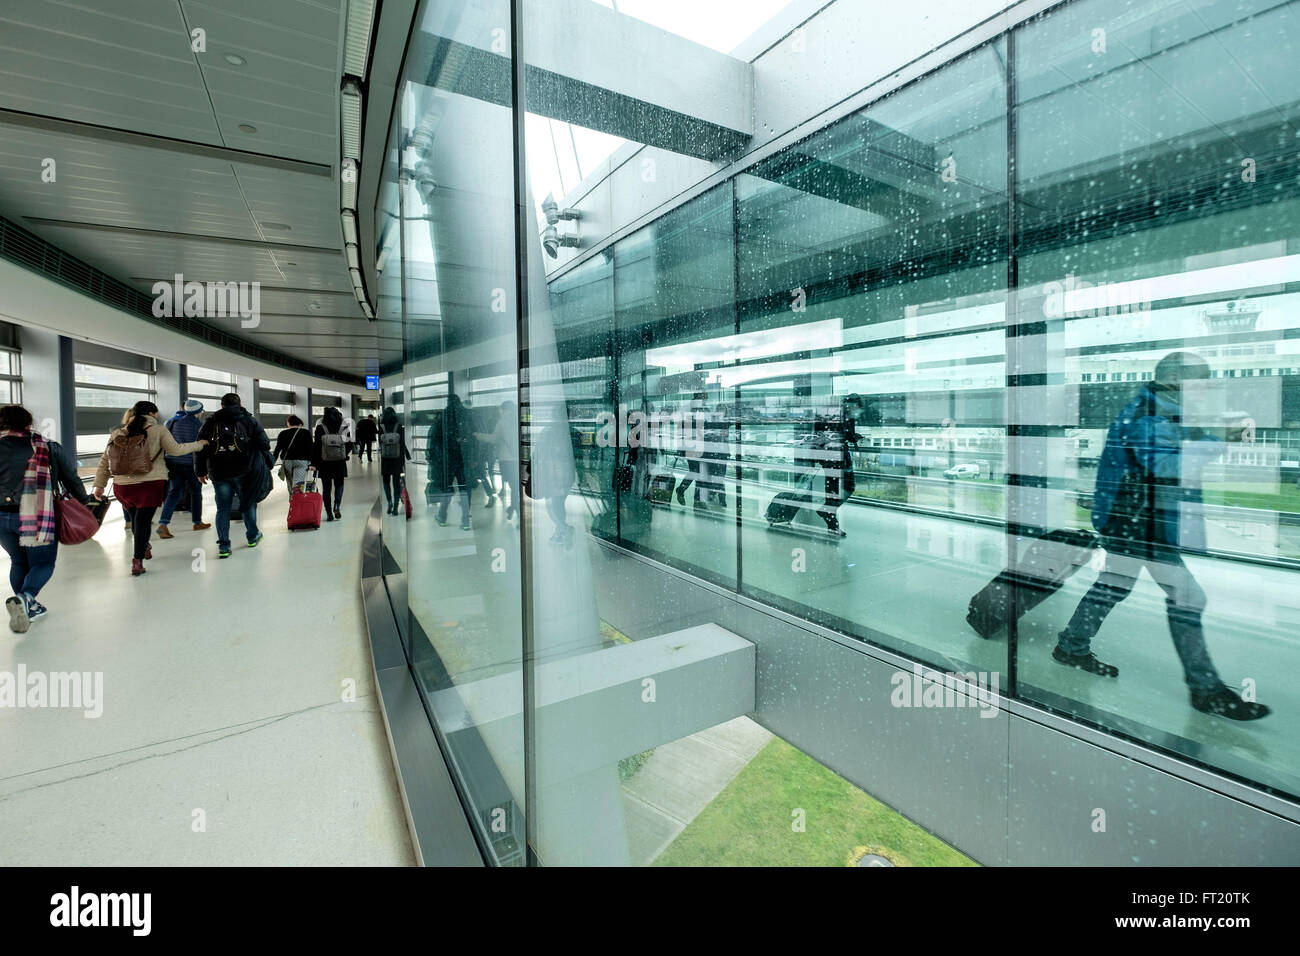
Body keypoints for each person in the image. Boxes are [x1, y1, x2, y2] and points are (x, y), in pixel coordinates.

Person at [1052, 352, 1269, 720]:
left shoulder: (1158, 409)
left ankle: (1071, 647)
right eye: (1200, 380)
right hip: (1140, 526)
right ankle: (1205, 690)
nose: (1205, 389)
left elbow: (1174, 443)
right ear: (1172, 377)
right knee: (1188, 598)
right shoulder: (1147, 415)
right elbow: (1168, 464)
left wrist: (1211, 432)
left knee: (1114, 586)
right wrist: (1218, 438)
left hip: (1135, 521)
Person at [0, 405, 93, 631]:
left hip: (2, 518)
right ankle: (27, 597)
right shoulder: (47, 447)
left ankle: (27, 605)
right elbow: (71, 478)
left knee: (18, 561)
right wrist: (85, 502)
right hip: (37, 515)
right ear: (28, 424)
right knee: (42, 563)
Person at [94, 401, 208, 576]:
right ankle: (137, 560)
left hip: (123, 486)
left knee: (135, 519)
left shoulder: (118, 432)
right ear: (152, 413)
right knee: (143, 522)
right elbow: (176, 450)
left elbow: (105, 460)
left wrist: (99, 485)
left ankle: (143, 545)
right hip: (150, 484)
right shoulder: (158, 430)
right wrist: (199, 444)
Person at [194, 392, 271, 559]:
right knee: (248, 503)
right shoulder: (249, 420)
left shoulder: (210, 422)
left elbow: (200, 448)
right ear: (239, 403)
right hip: (244, 471)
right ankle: (252, 536)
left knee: (223, 509)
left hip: (219, 472)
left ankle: (224, 546)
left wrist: (200, 471)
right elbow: (265, 443)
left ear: (222, 405)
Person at [156, 399, 210, 539]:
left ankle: (163, 524)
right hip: (191, 464)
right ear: (198, 412)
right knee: (196, 492)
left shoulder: (172, 422)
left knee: (174, 492)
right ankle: (197, 522)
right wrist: (204, 469)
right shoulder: (201, 425)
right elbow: (202, 448)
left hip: (173, 462)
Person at [428, 393, 472, 530]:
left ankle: (442, 516)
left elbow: (434, 440)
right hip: (463, 459)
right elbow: (473, 437)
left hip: (448, 461)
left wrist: (436, 459)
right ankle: (465, 520)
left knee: (447, 488)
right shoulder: (466, 416)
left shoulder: (443, 417)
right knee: (464, 489)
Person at [475, 399, 519, 520]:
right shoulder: (518, 420)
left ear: (503, 409)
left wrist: (479, 436)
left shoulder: (503, 421)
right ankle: (514, 507)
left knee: (514, 486)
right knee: (516, 487)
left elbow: (494, 439)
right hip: (518, 459)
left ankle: (516, 509)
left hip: (506, 459)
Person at [312, 406, 351, 521]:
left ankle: (328, 513)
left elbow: (316, 446)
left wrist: (314, 462)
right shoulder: (344, 428)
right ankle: (337, 506)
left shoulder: (320, 428)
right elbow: (349, 444)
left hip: (324, 462)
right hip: (339, 462)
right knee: (339, 485)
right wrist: (345, 454)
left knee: (327, 488)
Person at [377, 406, 411, 515]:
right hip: (397, 459)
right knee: (396, 483)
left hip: (386, 458)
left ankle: (389, 502)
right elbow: (402, 443)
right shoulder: (399, 426)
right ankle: (396, 507)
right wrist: (405, 457)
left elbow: (380, 443)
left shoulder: (381, 427)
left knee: (386, 481)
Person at [273, 415, 313, 491]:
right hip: (301, 461)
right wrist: (312, 463)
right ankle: (297, 501)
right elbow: (310, 448)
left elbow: (277, 449)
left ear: (288, 423)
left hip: (287, 461)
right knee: (298, 484)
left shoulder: (282, 433)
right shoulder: (306, 432)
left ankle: (292, 500)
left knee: (290, 483)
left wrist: (272, 461)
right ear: (299, 423)